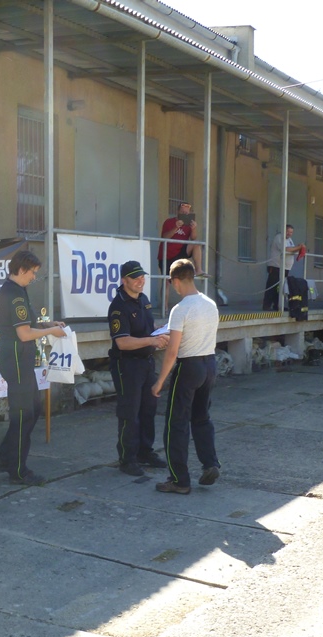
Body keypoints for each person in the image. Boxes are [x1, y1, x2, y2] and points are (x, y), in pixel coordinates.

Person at [0, 250, 65, 485]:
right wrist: (51, 331)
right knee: (23, 415)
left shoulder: (18, 290)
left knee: (33, 408)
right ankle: (18, 471)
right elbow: (24, 334)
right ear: (22, 270)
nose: (34, 277)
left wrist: (48, 324)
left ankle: (4, 458)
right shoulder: (13, 294)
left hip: (22, 358)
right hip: (15, 357)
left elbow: (28, 323)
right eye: (33, 272)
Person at [151, 259, 221, 494]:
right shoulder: (210, 304)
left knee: (176, 424)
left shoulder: (180, 309)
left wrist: (159, 381)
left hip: (189, 366)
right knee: (202, 417)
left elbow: (172, 351)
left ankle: (179, 480)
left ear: (176, 281)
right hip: (209, 363)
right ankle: (210, 463)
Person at [107, 261, 169, 476]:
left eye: (142, 277)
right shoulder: (118, 306)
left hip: (146, 362)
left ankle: (145, 452)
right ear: (124, 280)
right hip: (127, 365)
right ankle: (127, 459)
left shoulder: (143, 299)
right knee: (129, 412)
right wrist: (151, 341)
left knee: (148, 409)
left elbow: (148, 328)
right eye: (135, 278)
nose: (141, 281)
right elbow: (122, 342)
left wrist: (161, 332)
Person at [264, 224, 305, 311]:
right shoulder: (279, 237)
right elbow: (286, 249)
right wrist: (298, 247)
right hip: (276, 267)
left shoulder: (289, 240)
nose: (289, 233)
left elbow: (292, 250)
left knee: (280, 288)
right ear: (284, 230)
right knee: (272, 286)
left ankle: (278, 305)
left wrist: (298, 247)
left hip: (285, 268)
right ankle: (266, 306)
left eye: (291, 232)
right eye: (288, 231)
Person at [158, 202, 204, 276]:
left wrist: (194, 228)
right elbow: (165, 237)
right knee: (167, 281)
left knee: (196, 244)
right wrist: (176, 227)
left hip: (181, 253)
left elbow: (193, 238)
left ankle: (198, 270)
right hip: (167, 255)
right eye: (182, 212)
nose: (184, 214)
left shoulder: (189, 225)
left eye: (186, 213)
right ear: (178, 212)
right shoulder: (169, 222)